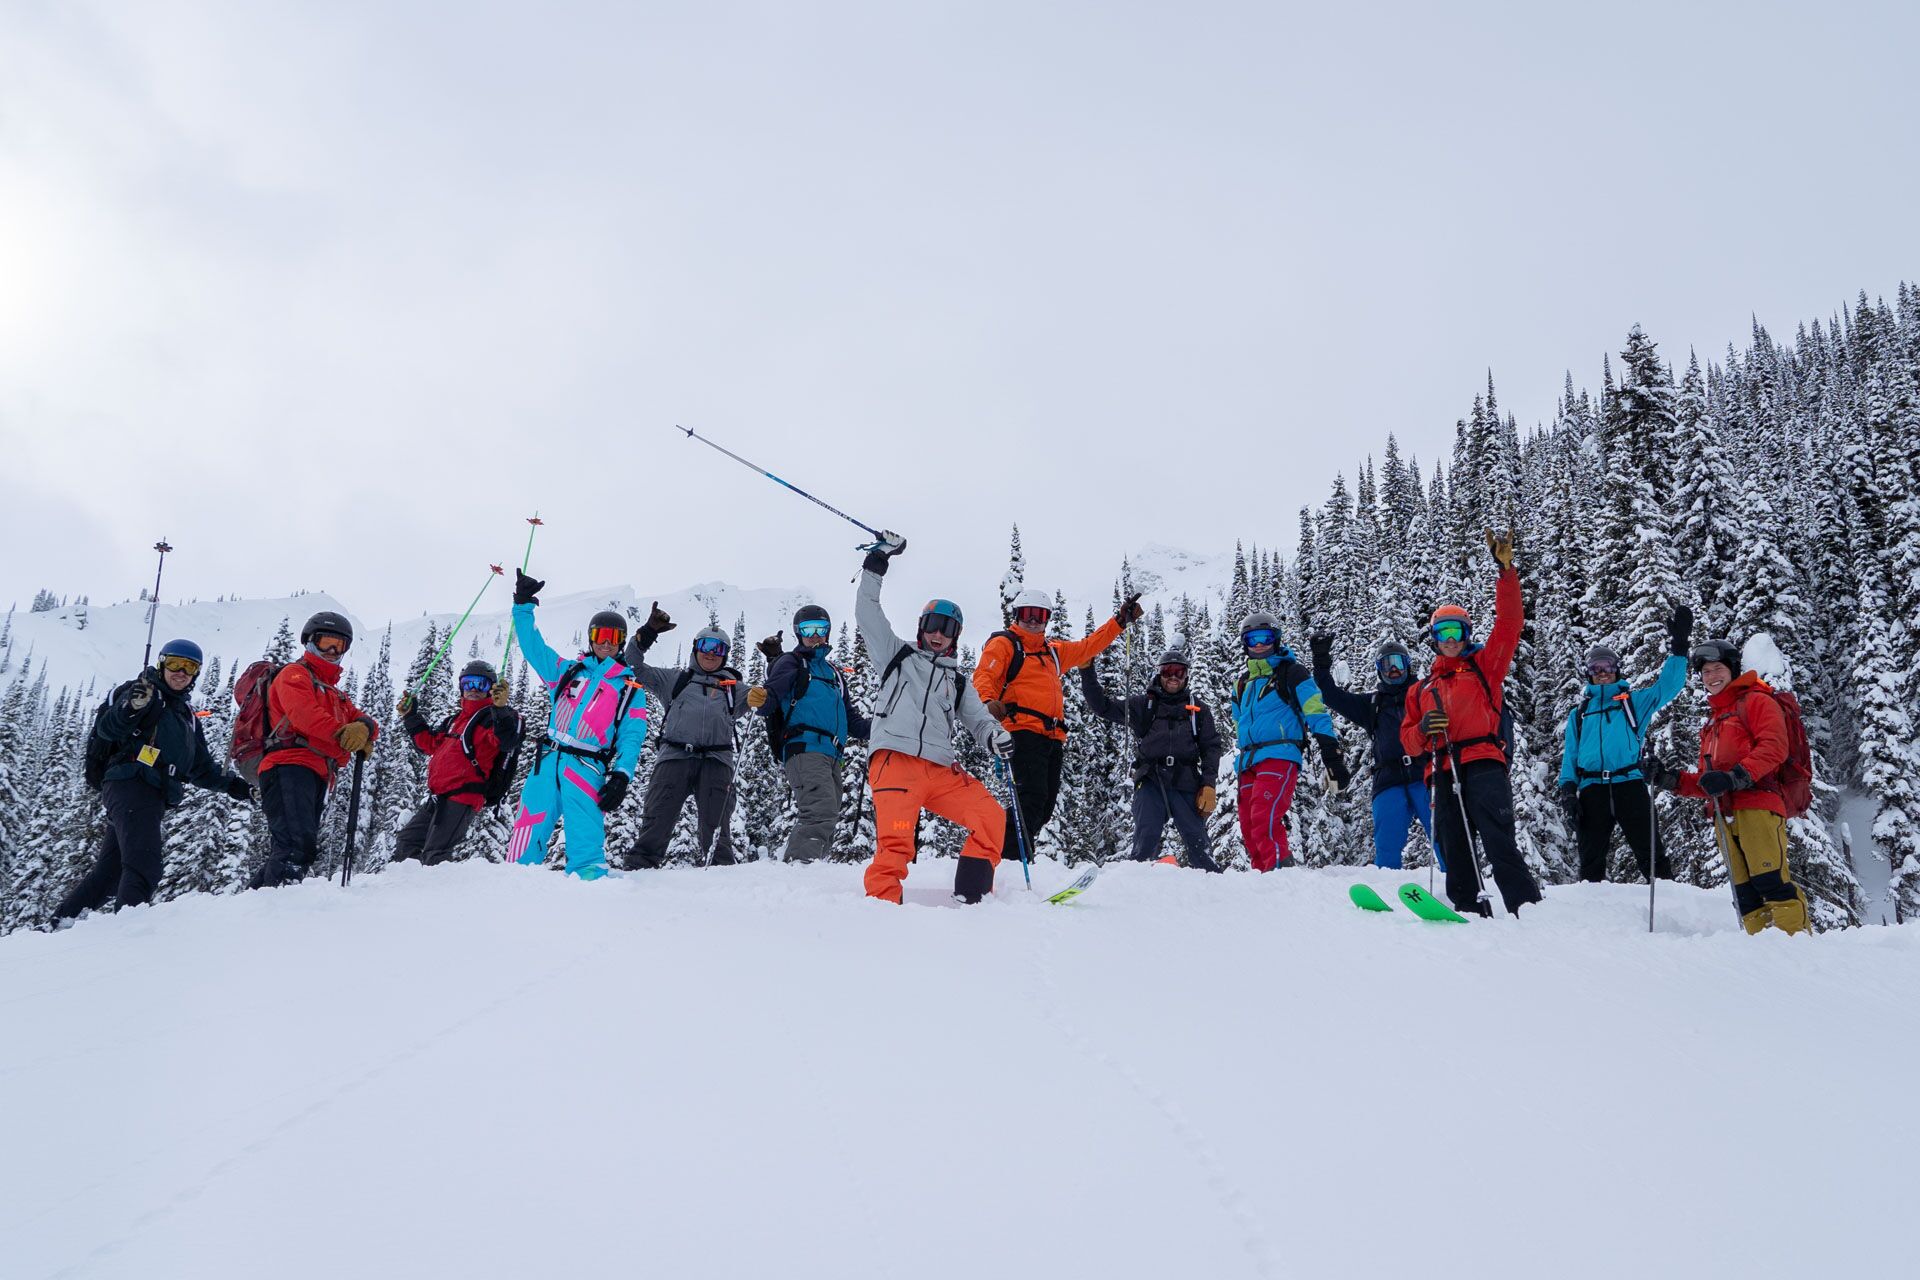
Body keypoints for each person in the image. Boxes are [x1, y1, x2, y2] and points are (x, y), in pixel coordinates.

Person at [855, 534, 1014, 903]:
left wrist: (995, 736)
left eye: (948, 628)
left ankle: (973, 900)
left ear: (956, 636)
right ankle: (880, 912)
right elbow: (867, 610)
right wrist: (878, 561)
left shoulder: (956, 680)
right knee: (896, 843)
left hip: (941, 770)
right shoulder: (895, 657)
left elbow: (978, 719)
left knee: (990, 817)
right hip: (895, 762)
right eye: (933, 625)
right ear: (921, 626)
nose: (939, 634)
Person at [52, 639, 254, 921]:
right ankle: (127, 934)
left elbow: (201, 768)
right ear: (161, 663)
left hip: (152, 793)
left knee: (110, 874)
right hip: (131, 782)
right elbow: (108, 729)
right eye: (174, 664)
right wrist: (131, 707)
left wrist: (238, 787)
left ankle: (59, 923)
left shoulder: (186, 717)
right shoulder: (142, 693)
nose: (180, 672)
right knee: (144, 865)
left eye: (189, 667)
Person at [1399, 530, 1544, 917]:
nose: (1450, 639)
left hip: (1483, 762)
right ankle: (1466, 910)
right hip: (1441, 770)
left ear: (1466, 635)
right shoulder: (1421, 689)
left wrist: (1506, 572)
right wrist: (1425, 728)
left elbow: (1511, 623)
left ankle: (1525, 908)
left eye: (1456, 631)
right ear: (1433, 638)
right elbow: (1409, 744)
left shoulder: (1484, 667)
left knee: (1499, 838)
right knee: (1454, 845)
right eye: (1442, 632)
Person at [1647, 639, 1810, 935]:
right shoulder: (1713, 721)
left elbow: (1775, 748)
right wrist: (1670, 779)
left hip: (1758, 804)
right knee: (1744, 891)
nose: (1712, 676)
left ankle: (1795, 948)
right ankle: (1760, 952)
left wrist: (1734, 777)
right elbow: (1709, 781)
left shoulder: (1757, 701)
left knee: (1769, 879)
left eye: (1718, 668)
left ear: (1733, 669)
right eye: (1706, 672)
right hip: (1724, 813)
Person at [974, 586, 1141, 865]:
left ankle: (1011, 856)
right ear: (1017, 615)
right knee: (1030, 800)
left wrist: (1119, 621)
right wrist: (987, 702)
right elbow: (984, 676)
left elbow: (1089, 646)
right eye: (1027, 614)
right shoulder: (1005, 644)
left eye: (1039, 615)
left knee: (1046, 806)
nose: (1033, 620)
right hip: (1021, 732)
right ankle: (1011, 861)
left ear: (1047, 619)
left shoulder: (1052, 652)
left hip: (1051, 737)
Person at [506, 574, 648, 880]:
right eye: (600, 634)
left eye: (613, 636)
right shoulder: (567, 672)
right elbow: (533, 648)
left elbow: (632, 736)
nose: (606, 642)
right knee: (525, 837)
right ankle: (513, 889)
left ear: (621, 640)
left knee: (585, 846)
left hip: (586, 767)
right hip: (546, 763)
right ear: (591, 637)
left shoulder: (629, 689)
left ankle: (589, 902)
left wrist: (622, 776)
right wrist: (523, 606)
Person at [1556, 610, 1690, 884]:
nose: (1602, 673)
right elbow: (1570, 757)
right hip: (1592, 789)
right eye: (1596, 669)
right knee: (1591, 860)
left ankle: (1669, 907)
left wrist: (1679, 648)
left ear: (1617, 669)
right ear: (1589, 674)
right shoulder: (1579, 713)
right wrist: (1568, 791)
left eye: (1607, 667)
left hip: (1629, 784)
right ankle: (1594, 914)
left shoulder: (1633, 703)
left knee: (1651, 854)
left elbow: (1668, 687)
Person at [251, 612, 380, 888]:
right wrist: (346, 734)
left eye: (340, 645)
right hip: (288, 766)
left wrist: (364, 730)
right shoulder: (294, 675)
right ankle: (274, 908)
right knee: (296, 846)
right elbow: (304, 716)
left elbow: (368, 721)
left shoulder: (335, 695)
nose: (333, 651)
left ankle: (255, 902)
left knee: (294, 845)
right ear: (310, 642)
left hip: (316, 772)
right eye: (326, 643)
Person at [623, 607, 752, 868]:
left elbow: (771, 699)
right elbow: (633, 666)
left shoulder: (734, 690)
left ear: (725, 655)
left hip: (717, 761)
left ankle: (722, 879)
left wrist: (769, 676)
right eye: (706, 645)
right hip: (675, 757)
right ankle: (639, 872)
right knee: (657, 820)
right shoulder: (675, 679)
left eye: (719, 649)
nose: (710, 653)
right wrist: (646, 634)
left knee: (717, 831)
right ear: (695, 648)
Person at [1079, 645, 1223, 871]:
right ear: (1159, 674)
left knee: (1198, 843)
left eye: (1179, 672)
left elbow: (1211, 748)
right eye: (1167, 671)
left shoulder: (1198, 710)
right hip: (1151, 780)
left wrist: (1209, 784)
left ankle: (1213, 888)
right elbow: (1102, 707)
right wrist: (1087, 671)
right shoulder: (1144, 705)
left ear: (1186, 675)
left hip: (1186, 782)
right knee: (1146, 839)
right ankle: (1136, 885)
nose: (1173, 677)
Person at [1229, 611, 1349, 871]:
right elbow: (1240, 723)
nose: (1259, 644)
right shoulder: (1242, 683)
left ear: (1277, 639)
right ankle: (1266, 881)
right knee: (1250, 828)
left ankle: (1278, 879)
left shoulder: (1292, 673)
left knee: (1264, 818)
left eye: (1265, 637)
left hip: (1279, 755)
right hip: (1248, 761)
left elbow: (1316, 711)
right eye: (1252, 639)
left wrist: (1331, 753)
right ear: (1245, 644)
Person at [753, 605, 871, 863]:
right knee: (819, 812)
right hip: (804, 748)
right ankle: (799, 871)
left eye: (821, 629)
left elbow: (852, 720)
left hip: (832, 754)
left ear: (828, 632)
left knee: (828, 814)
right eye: (809, 629)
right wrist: (761, 699)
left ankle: (809, 870)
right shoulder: (792, 662)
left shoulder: (834, 673)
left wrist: (882, 727)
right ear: (799, 633)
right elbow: (770, 697)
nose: (816, 635)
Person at [1308, 634, 1437, 871]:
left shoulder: (1423, 695)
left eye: (1398, 662)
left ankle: (1460, 889)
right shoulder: (1372, 705)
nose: (1394, 670)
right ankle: (1388, 893)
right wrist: (1321, 662)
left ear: (1408, 665)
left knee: (1444, 837)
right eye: (1387, 665)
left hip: (1425, 775)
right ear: (1379, 670)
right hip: (1388, 780)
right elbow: (1329, 694)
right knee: (1387, 845)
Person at [392, 659, 522, 866]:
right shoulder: (455, 720)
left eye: (481, 684)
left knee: (436, 853)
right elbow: (429, 744)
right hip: (438, 797)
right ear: (461, 687)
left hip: (463, 796)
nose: (473, 690)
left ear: (491, 689)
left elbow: (507, 741)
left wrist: (500, 710)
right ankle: (402, 888)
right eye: (468, 683)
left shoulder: (492, 718)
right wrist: (411, 717)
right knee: (407, 842)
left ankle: (432, 895)